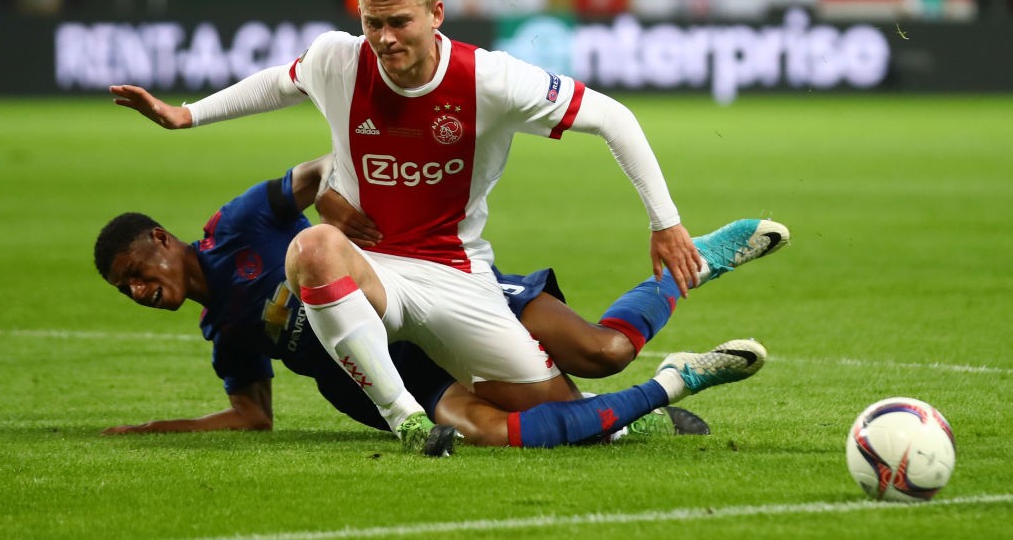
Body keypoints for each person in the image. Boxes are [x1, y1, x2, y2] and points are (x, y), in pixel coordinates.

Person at [108, 0, 778, 448]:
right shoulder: (337, 59)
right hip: (377, 272)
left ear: (437, 13)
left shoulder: (491, 80)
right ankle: (407, 416)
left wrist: (665, 222)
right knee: (314, 248)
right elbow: (276, 83)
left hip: (457, 271)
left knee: (595, 364)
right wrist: (184, 115)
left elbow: (614, 118)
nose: (385, 38)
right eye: (373, 22)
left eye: (398, 21)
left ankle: (686, 287)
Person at [94, 156, 787, 452]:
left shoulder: (238, 227)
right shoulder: (225, 332)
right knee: (507, 429)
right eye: (127, 289)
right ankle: (674, 386)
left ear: (161, 239)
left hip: (425, 285)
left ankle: (692, 261)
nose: (139, 290)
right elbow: (253, 415)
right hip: (383, 371)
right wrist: (160, 427)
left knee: (605, 352)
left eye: (137, 270)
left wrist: (332, 182)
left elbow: (307, 174)